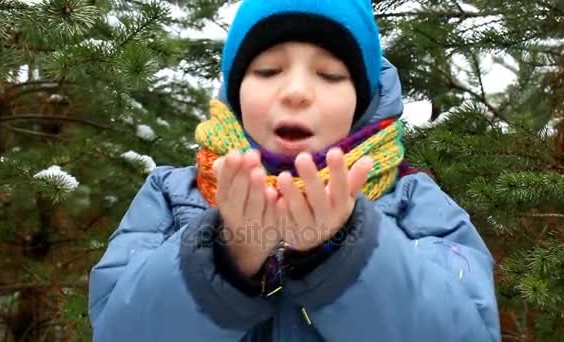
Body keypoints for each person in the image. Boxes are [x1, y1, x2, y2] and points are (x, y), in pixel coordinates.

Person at [88, 0, 501, 341]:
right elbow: (117, 330)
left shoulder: (414, 201)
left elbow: (467, 330)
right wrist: (229, 256)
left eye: (329, 74)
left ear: (361, 102)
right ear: (236, 92)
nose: (297, 92)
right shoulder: (172, 194)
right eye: (268, 70)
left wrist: (341, 253)